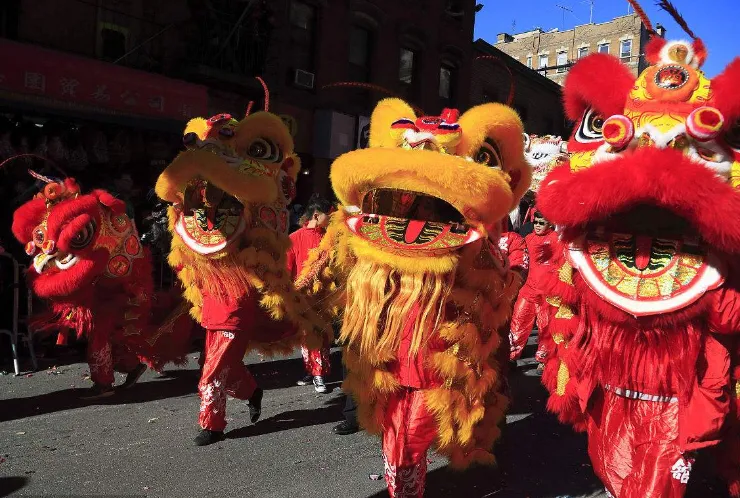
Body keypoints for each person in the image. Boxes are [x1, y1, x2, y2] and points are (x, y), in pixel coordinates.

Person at [287, 194, 333, 394]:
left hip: (325, 295)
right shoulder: (294, 238)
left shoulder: (328, 239)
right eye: (329, 216)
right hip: (303, 296)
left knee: (322, 334)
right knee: (308, 334)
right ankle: (316, 373)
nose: (331, 220)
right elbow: (287, 269)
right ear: (316, 215)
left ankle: (315, 371)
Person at [508, 210, 560, 370]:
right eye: (535, 222)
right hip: (528, 291)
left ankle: (543, 360)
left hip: (547, 294)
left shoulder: (557, 240)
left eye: (541, 223)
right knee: (518, 323)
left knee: (545, 328)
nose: (537, 225)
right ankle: (512, 356)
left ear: (550, 224)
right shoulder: (528, 239)